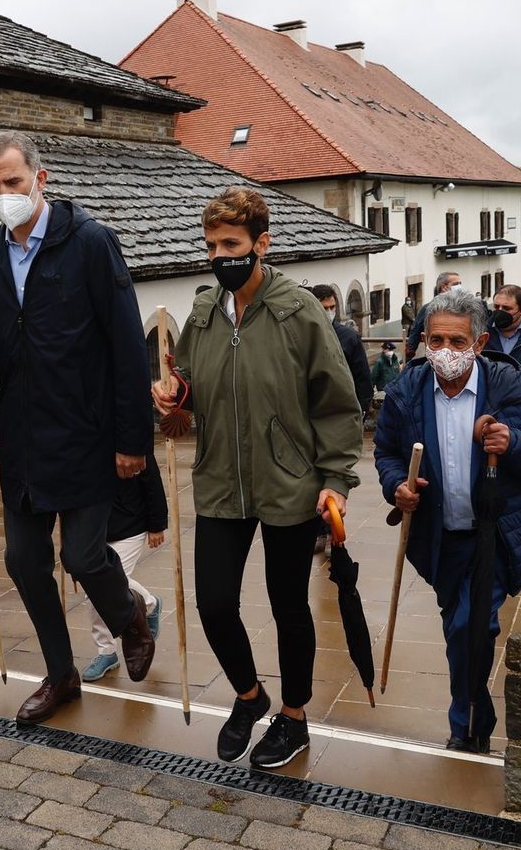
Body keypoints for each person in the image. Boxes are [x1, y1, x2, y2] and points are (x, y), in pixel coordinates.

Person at [0, 131, 155, 726]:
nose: (4, 194)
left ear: (40, 178)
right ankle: (61, 675)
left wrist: (134, 441)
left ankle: (129, 614)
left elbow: (128, 346)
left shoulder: (91, 243)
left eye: (13, 181)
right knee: (24, 562)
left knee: (83, 555)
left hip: (87, 432)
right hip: (23, 438)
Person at [152, 187, 363, 769]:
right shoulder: (203, 313)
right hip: (221, 479)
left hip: (290, 483)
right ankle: (250, 697)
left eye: (231, 244)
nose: (219, 256)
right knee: (214, 602)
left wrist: (336, 478)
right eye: (211, 246)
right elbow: (191, 384)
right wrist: (174, 398)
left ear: (261, 244)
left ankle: (294, 717)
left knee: (288, 606)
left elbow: (337, 404)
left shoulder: (300, 312)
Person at [375, 289, 521, 752]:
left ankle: (468, 725)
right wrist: (398, 485)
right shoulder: (406, 392)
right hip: (440, 538)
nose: (446, 351)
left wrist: (514, 443)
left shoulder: (513, 390)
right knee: (459, 627)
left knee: (471, 625)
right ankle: (474, 708)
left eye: (457, 342)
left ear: (479, 343)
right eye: (436, 340)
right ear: (424, 340)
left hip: (495, 536)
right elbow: (387, 453)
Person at [83, 454, 166, 682]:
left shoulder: (132, 437)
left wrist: (157, 525)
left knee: (106, 582)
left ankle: (148, 605)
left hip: (131, 524)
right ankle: (108, 652)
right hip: (93, 525)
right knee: (94, 588)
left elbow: (152, 480)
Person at [313, 285, 375, 414]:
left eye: (332, 307)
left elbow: (362, 376)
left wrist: (362, 409)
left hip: (343, 407)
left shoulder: (349, 338)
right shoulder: (304, 336)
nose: (329, 312)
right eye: (324, 308)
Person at [405, 272, 465, 360]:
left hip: (460, 356)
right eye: (456, 284)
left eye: (460, 283)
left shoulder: (465, 308)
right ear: (444, 287)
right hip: (436, 357)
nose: (459, 286)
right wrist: (407, 358)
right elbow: (415, 334)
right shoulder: (428, 309)